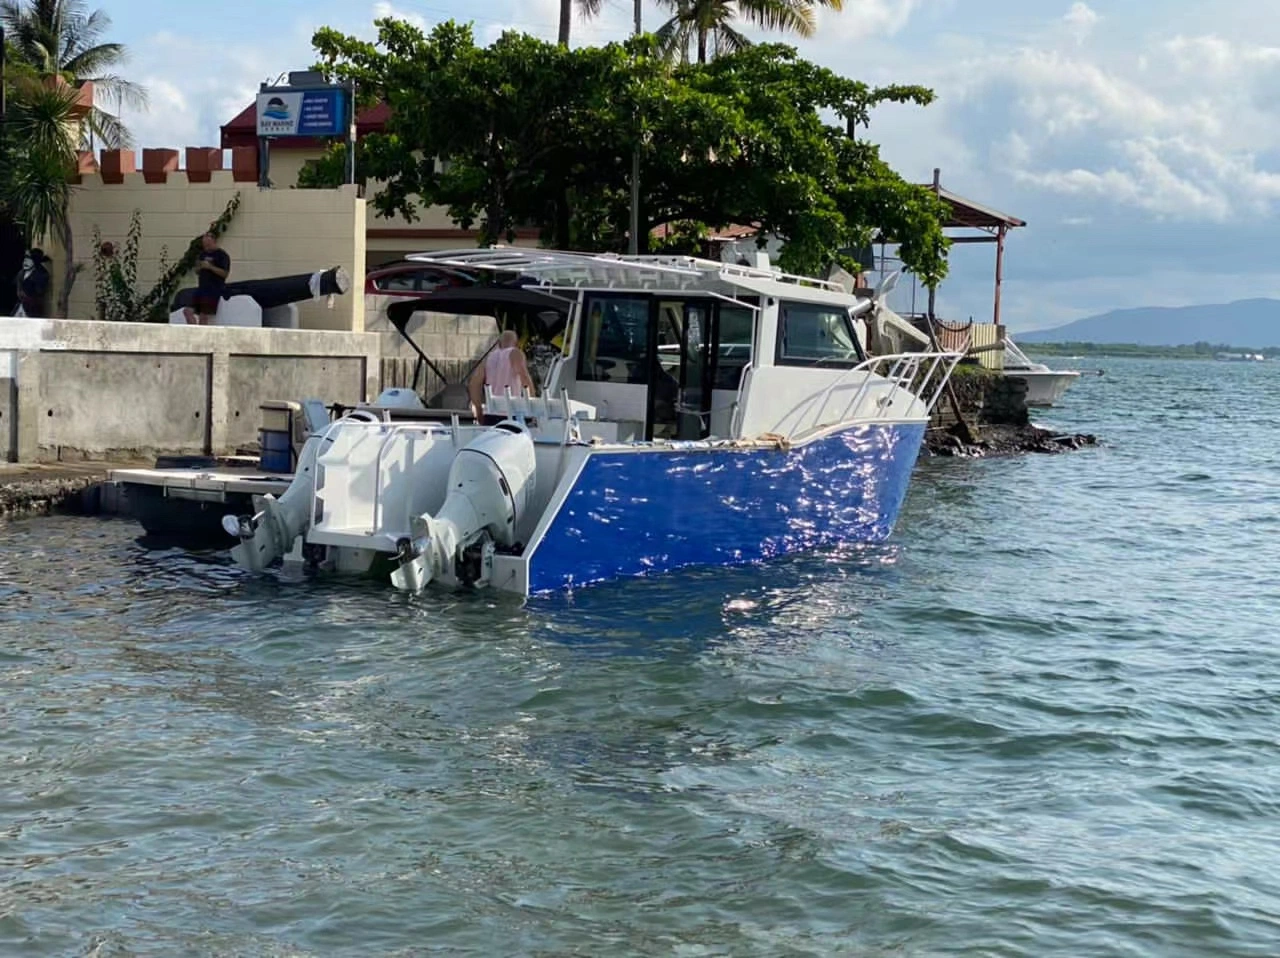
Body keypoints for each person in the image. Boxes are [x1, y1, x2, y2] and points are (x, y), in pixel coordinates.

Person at [469, 329, 536, 422]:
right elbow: (525, 378)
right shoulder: (515, 354)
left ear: (499, 344)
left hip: (491, 414)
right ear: (516, 344)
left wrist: (479, 411)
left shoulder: (488, 358)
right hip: (511, 413)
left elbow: (474, 384)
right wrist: (533, 409)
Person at [183, 232, 231, 325]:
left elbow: (225, 274)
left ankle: (201, 336)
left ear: (214, 241)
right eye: (204, 244)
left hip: (213, 290)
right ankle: (194, 330)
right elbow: (197, 271)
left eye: (208, 244)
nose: (206, 247)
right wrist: (199, 267)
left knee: (203, 316)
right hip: (201, 289)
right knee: (187, 311)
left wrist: (210, 267)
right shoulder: (202, 254)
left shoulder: (222, 255)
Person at [13, 248, 50, 317]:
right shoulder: (21, 273)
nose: (25, 261)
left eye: (29, 259)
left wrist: (27, 297)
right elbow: (17, 284)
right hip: (20, 307)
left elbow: (40, 292)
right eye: (25, 259)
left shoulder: (41, 274)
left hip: (32, 309)